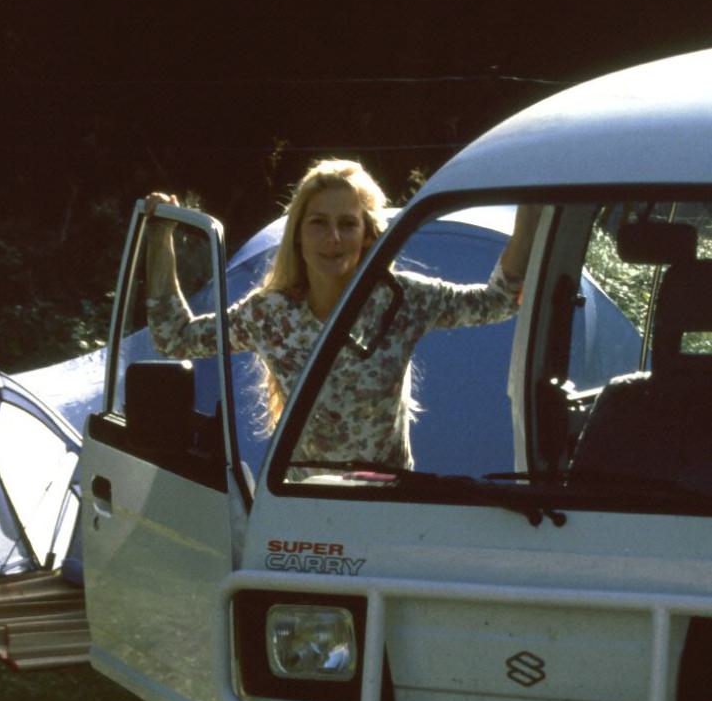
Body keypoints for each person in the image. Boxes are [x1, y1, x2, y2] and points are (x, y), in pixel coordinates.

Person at [144, 158, 540, 469]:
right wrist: (160, 236)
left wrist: (532, 200)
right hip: (303, 503)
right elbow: (174, 337)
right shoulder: (271, 314)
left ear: (367, 235)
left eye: (347, 224)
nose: (333, 238)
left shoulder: (400, 299)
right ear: (298, 234)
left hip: (385, 501)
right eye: (318, 223)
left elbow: (497, 301)